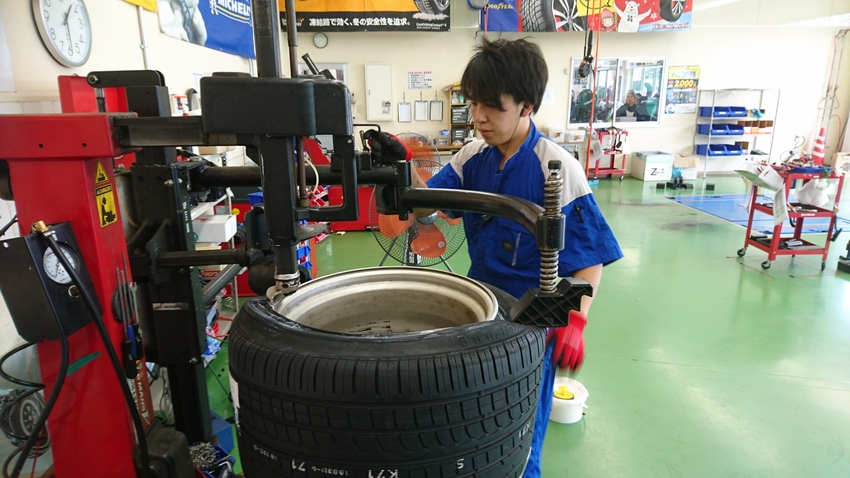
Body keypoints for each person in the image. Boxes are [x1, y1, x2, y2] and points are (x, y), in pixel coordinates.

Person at [369, 38, 622, 477]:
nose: (479, 117)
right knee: (470, 419)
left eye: (492, 106)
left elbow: (590, 259)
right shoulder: (472, 157)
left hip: (533, 325)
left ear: (526, 106)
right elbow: (425, 208)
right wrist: (401, 170)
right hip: (479, 309)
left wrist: (576, 322)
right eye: (474, 104)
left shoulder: (557, 168)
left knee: (522, 433)